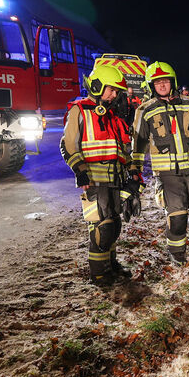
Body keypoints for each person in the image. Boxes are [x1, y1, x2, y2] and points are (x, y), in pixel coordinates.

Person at [132, 61, 189, 264]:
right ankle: (177, 251)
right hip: (167, 173)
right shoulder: (144, 110)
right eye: (157, 82)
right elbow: (138, 143)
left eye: (165, 81)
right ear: (151, 85)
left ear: (172, 81)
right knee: (177, 217)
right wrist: (135, 170)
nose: (162, 85)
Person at [60, 64, 141, 286]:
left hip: (115, 180)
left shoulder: (112, 114)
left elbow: (122, 148)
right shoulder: (79, 110)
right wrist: (80, 172)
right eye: (111, 90)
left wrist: (132, 170)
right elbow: (68, 145)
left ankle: (110, 266)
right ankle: (99, 275)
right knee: (100, 229)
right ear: (97, 86)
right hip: (94, 181)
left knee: (113, 225)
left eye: (116, 91)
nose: (114, 95)